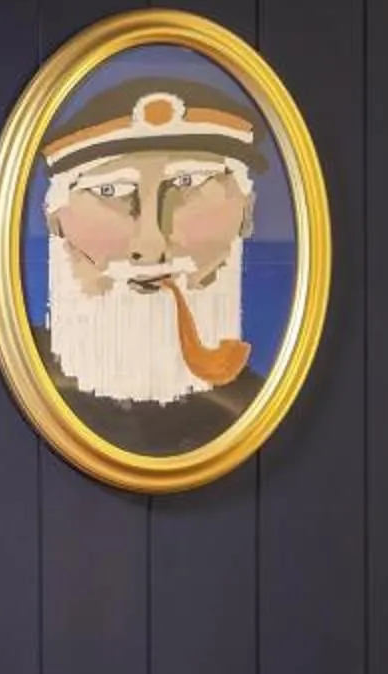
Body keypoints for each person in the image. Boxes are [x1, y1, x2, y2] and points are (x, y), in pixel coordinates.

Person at [35, 79, 268, 458]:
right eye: (109, 192)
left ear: (246, 211)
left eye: (187, 183)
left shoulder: (260, 407)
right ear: (55, 218)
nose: (151, 245)